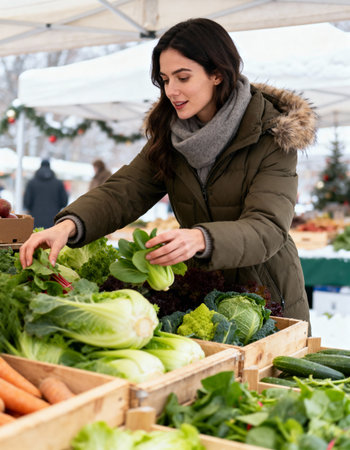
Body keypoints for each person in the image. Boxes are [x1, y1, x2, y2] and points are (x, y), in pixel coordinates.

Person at [20, 18, 317, 328]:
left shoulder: (272, 136)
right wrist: (69, 224)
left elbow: (267, 228)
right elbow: (124, 191)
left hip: (268, 298)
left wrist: (201, 238)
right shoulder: (171, 136)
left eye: (183, 77)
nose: (171, 91)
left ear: (217, 73)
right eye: (164, 79)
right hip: (207, 296)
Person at [23, 159, 68, 229]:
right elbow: (64, 201)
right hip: (53, 219)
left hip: (35, 220)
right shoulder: (58, 183)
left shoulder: (32, 182)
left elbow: (27, 202)